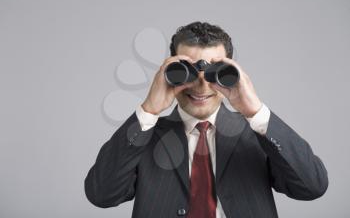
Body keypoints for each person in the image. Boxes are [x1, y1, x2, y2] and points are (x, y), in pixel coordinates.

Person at [84, 21, 328, 218]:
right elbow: (101, 195)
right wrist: (149, 109)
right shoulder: (145, 135)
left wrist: (255, 111)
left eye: (214, 72)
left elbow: (312, 186)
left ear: (232, 72)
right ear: (169, 71)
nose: (201, 85)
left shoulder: (256, 133)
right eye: (186, 70)